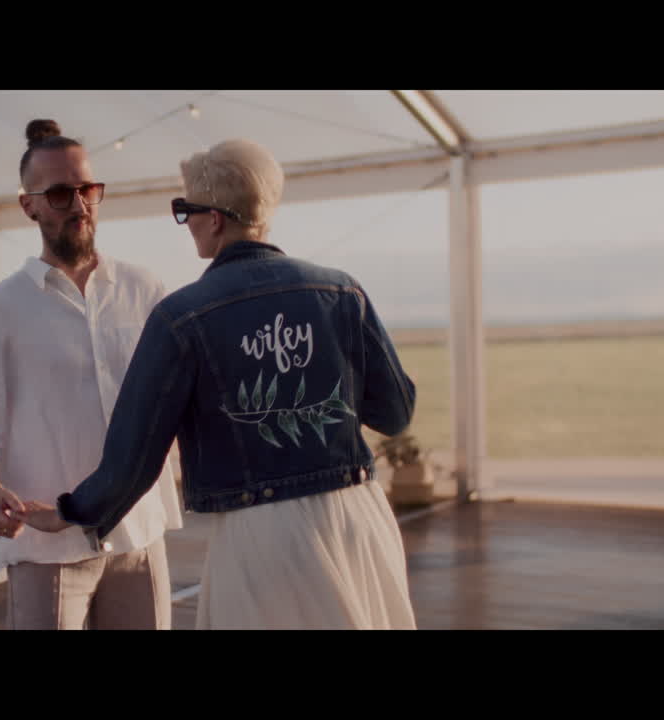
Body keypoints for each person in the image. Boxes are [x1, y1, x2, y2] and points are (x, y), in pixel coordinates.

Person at [20, 138, 418, 630]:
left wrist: (71, 510)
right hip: (361, 518)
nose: (185, 225)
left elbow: (134, 457)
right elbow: (396, 412)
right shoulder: (340, 290)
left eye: (185, 211)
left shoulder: (181, 317)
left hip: (262, 535)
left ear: (215, 218)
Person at [0, 119, 183, 630]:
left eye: (87, 190)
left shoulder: (145, 291)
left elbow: (177, 401)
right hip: (43, 546)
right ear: (28, 204)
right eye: (59, 194)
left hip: (137, 534)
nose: (79, 205)